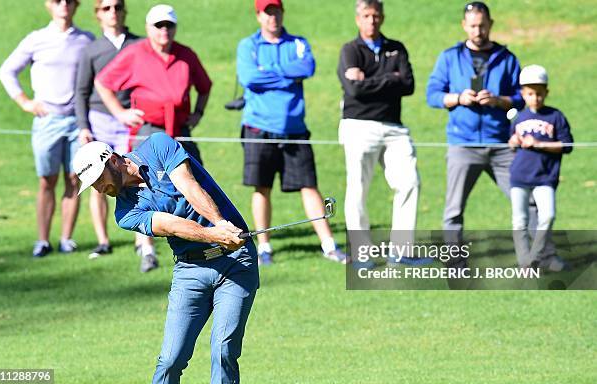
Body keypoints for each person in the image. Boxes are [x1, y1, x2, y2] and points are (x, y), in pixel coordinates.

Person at [72, 132, 259, 384]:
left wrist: (222, 225)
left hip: (236, 262)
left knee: (223, 349)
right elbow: (171, 225)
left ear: (113, 160)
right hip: (190, 270)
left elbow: (189, 186)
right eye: (92, 185)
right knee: (171, 359)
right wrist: (214, 234)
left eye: (98, 179)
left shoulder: (158, 145)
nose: (99, 189)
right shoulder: (124, 213)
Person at [237, 0, 346, 265]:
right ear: (259, 16)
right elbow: (250, 78)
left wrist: (270, 73)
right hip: (258, 127)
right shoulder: (248, 46)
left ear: (282, 13)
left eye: (276, 11)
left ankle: (329, 244)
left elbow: (306, 68)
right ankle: (264, 246)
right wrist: (287, 75)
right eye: (267, 12)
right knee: (261, 187)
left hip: (294, 129)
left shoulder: (298, 43)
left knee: (309, 186)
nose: (273, 17)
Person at [426, 1, 527, 267]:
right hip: (463, 144)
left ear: (490, 24)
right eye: (473, 25)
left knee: (526, 202)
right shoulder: (450, 57)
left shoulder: (507, 58)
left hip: (501, 144)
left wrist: (498, 100)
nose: (478, 30)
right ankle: (455, 263)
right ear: (464, 26)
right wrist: (458, 98)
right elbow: (432, 95)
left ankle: (536, 256)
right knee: (453, 210)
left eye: (482, 25)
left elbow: (522, 98)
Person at [337, 0, 431, 268]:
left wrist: (369, 80)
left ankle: (401, 251)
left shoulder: (396, 48)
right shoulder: (350, 50)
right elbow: (354, 90)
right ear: (358, 19)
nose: (372, 21)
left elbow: (409, 84)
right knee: (358, 189)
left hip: (393, 127)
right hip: (359, 126)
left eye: (376, 15)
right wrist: (391, 78)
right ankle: (362, 253)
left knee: (410, 182)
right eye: (366, 16)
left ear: (382, 17)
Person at [0, 0, 94, 257]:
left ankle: (66, 239)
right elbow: (7, 71)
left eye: (69, 1)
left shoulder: (86, 39)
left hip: (77, 121)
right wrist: (25, 102)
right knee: (46, 180)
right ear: (48, 5)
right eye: (57, 0)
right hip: (47, 121)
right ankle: (42, 240)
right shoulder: (36, 39)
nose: (63, 4)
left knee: (75, 178)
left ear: (76, 6)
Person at [75, 0, 158, 271]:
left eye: (117, 7)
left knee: (133, 175)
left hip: (132, 117)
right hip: (100, 118)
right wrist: (83, 126)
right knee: (97, 177)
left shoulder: (139, 44)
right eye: (106, 8)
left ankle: (143, 240)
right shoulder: (91, 49)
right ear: (97, 14)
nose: (113, 13)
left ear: (124, 10)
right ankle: (103, 240)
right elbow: (82, 92)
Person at [95, 4, 210, 163]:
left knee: (196, 179)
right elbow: (102, 82)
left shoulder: (186, 55)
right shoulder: (135, 52)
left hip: (180, 129)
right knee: (146, 181)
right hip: (148, 130)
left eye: (169, 25)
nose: (164, 30)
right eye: (159, 25)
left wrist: (198, 113)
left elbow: (205, 87)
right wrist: (120, 112)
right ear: (148, 28)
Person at [508, 65, 573, 271]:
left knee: (548, 215)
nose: (535, 98)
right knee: (519, 221)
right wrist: (514, 141)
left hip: (545, 177)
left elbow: (567, 145)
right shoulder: (518, 117)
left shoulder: (555, 116)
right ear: (523, 94)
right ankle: (524, 263)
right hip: (519, 176)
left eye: (539, 93)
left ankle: (535, 256)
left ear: (546, 92)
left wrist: (538, 143)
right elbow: (512, 143)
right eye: (530, 93)